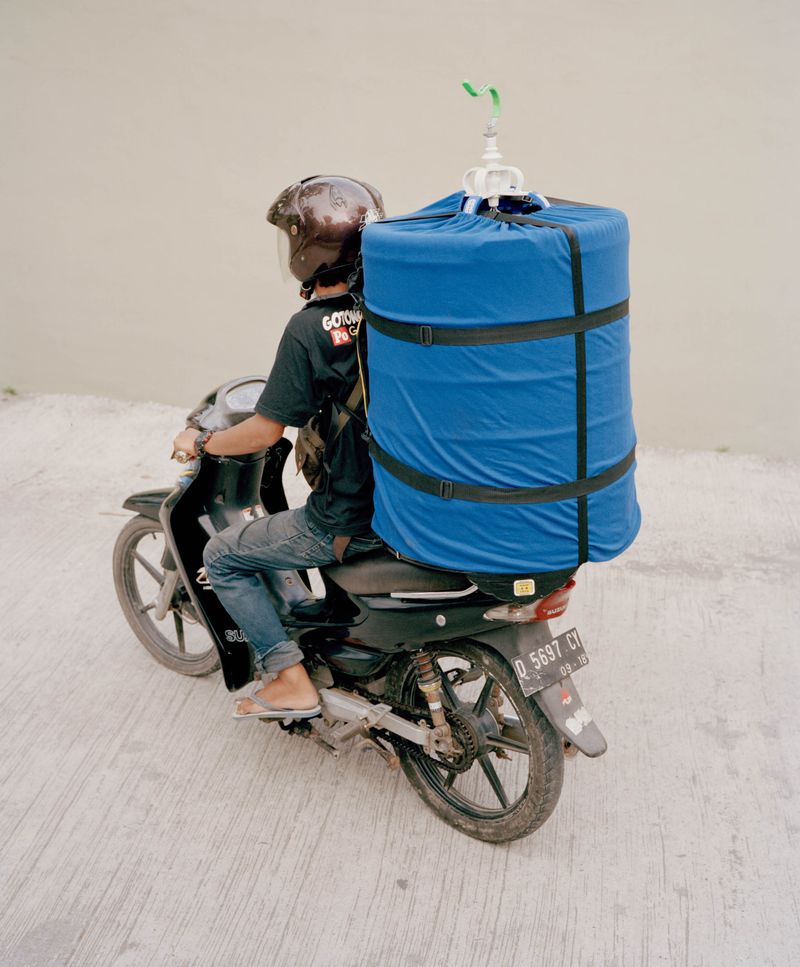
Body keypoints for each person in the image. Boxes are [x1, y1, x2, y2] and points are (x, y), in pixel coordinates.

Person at [172, 175, 385, 720]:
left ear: (308, 249)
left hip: (346, 519)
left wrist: (204, 440)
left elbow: (265, 433)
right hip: (401, 504)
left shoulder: (308, 329)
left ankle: (289, 678)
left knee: (222, 556)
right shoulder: (393, 311)